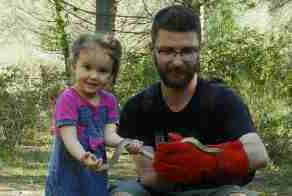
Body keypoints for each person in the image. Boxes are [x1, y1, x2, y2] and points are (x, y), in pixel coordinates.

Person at [110, 5, 269, 196]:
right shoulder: (137, 107)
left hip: (216, 191)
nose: (177, 62)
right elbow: (149, 176)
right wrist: (178, 169)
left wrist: (205, 160)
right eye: (167, 51)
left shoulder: (224, 100)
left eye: (187, 51)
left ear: (200, 49)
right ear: (152, 49)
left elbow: (259, 154)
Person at [45, 33, 143, 196]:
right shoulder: (68, 99)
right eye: (87, 67)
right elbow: (69, 138)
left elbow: (109, 136)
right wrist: (83, 157)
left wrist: (126, 143)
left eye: (103, 70)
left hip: (95, 173)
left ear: (111, 75)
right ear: (74, 66)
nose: (94, 76)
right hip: (67, 176)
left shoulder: (110, 101)